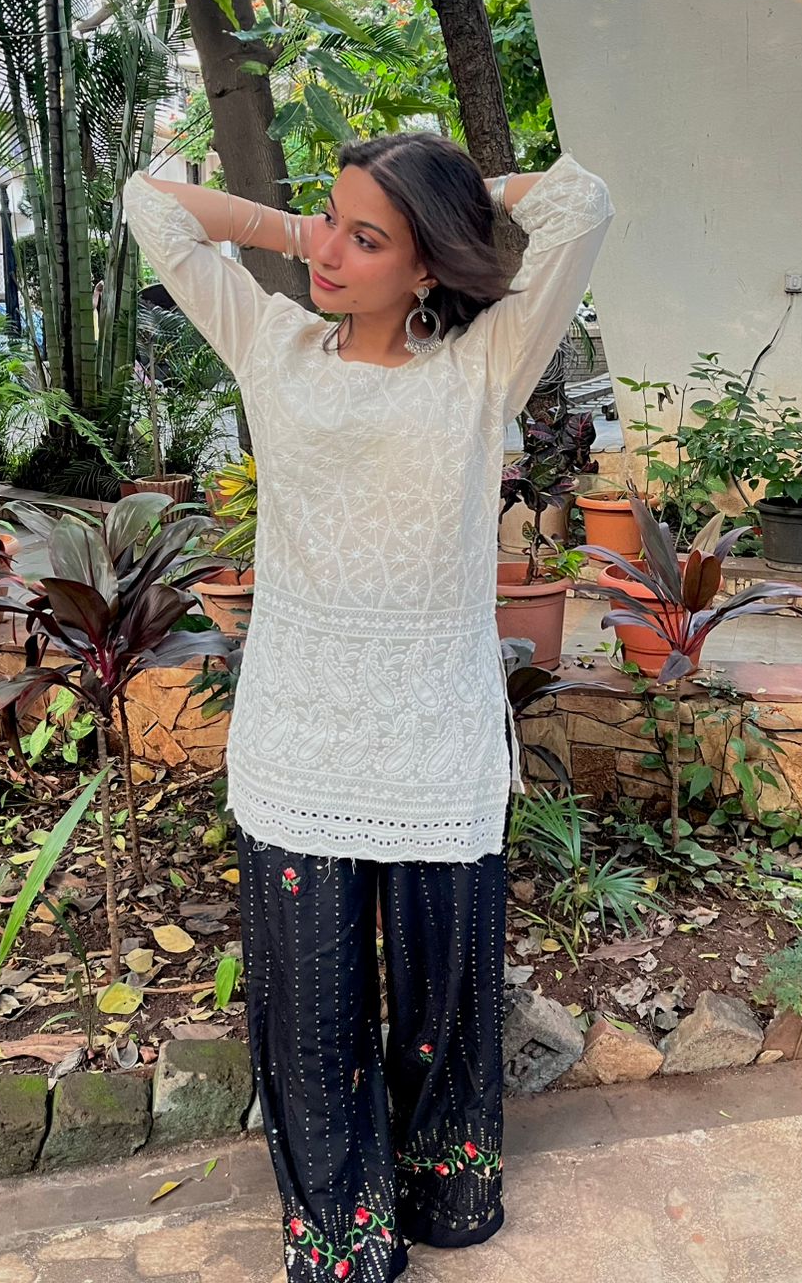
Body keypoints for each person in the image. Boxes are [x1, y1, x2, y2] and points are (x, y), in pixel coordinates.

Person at [125, 135, 613, 1281]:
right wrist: (298, 228)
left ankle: (444, 1194)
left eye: (367, 238)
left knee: (445, 1005)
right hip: (300, 745)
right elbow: (154, 205)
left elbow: (581, 202)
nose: (331, 254)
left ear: (428, 264)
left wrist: (445, 198)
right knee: (312, 1020)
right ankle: (343, 1236)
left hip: (438, 747)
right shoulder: (274, 341)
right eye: (329, 223)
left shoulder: (484, 363)